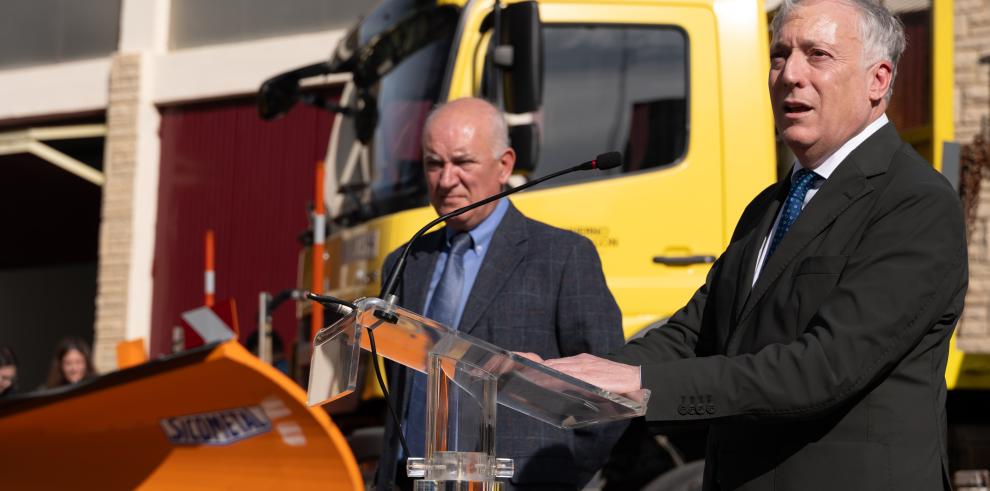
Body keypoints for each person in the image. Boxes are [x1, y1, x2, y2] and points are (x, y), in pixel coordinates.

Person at [545, 1, 967, 489]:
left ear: (878, 80)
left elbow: (823, 367)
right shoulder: (770, 204)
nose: (790, 74)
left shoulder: (915, 202)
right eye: (779, 55)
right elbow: (695, 332)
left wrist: (641, 385)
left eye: (817, 55)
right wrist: (576, 378)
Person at [376, 97, 625, 490]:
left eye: (463, 162)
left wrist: (559, 477)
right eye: (434, 164)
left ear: (505, 165)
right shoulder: (405, 261)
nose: (446, 180)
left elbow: (609, 392)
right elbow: (400, 388)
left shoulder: (562, 257)